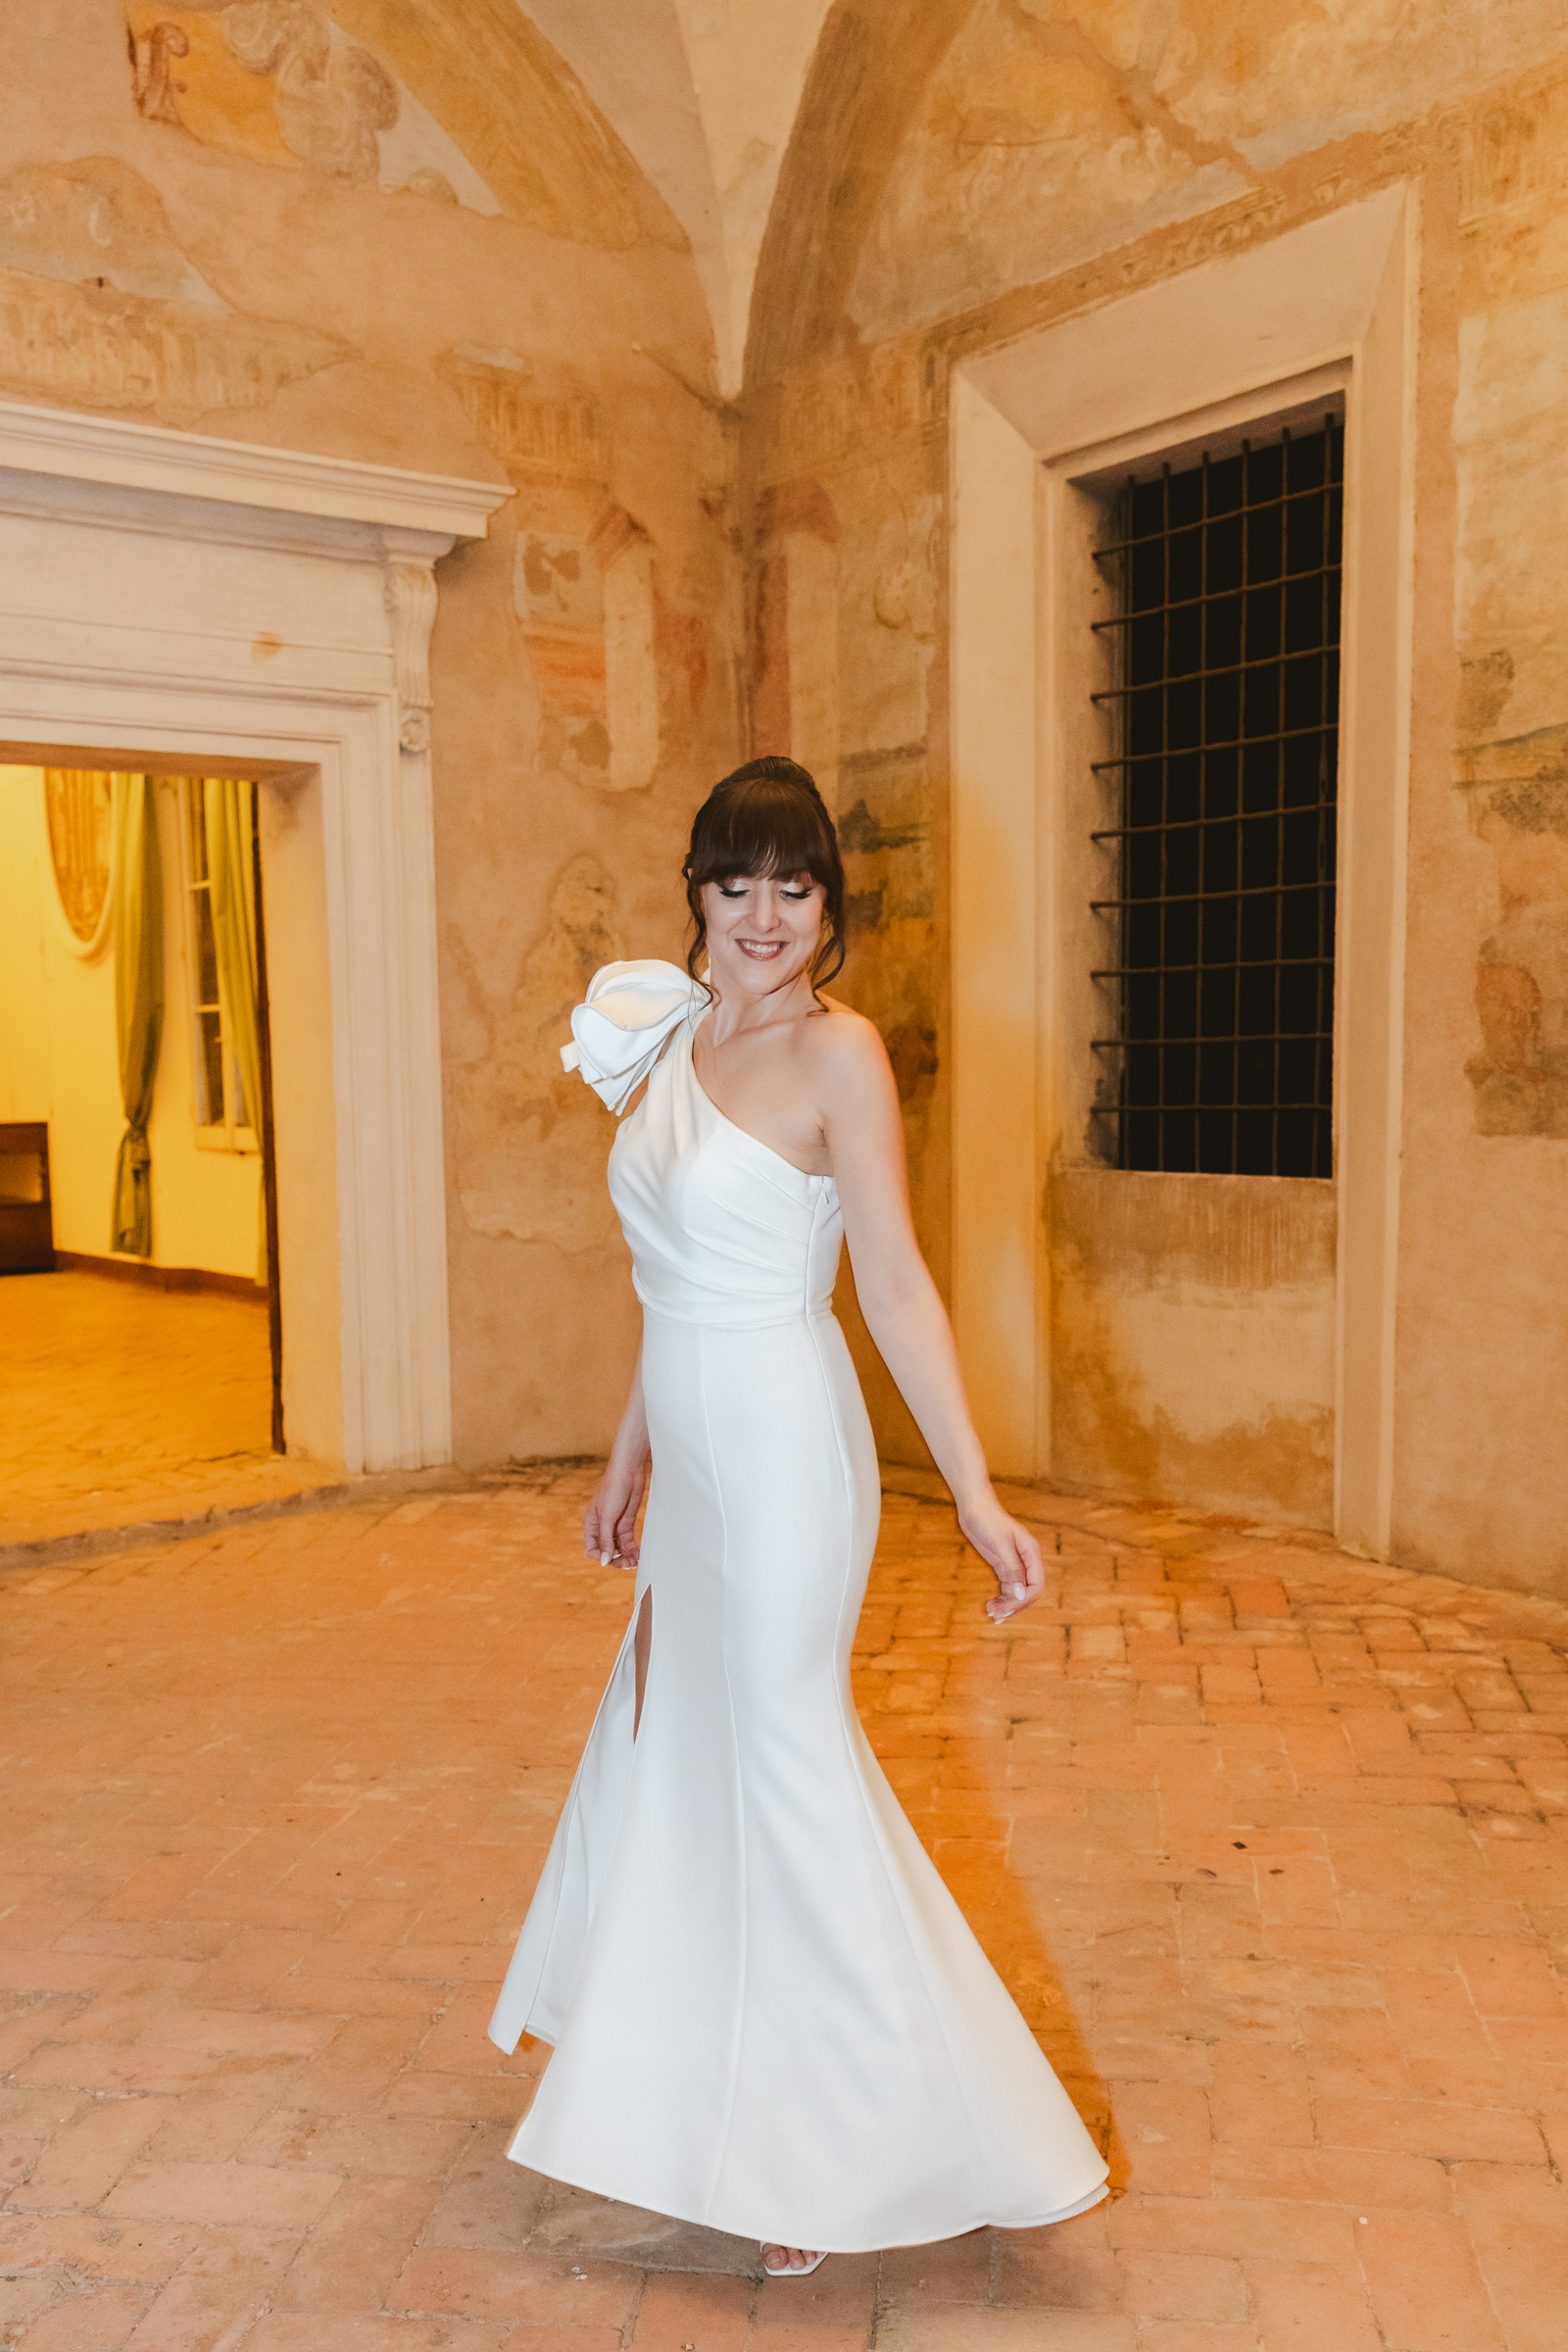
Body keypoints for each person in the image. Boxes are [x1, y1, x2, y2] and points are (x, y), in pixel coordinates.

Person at [488, 757, 1107, 2276]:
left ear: (828, 904)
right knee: (678, 1750)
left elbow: (891, 1283)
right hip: (692, 1462)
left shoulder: (841, 1055)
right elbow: (665, 1284)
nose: (764, 914)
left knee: (783, 1759)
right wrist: (627, 1457)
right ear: (697, 891)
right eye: (737, 882)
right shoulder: (671, 1034)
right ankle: (710, 2090)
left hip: (781, 1451)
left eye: (796, 885)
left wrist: (973, 1492)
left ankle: (846, 2142)